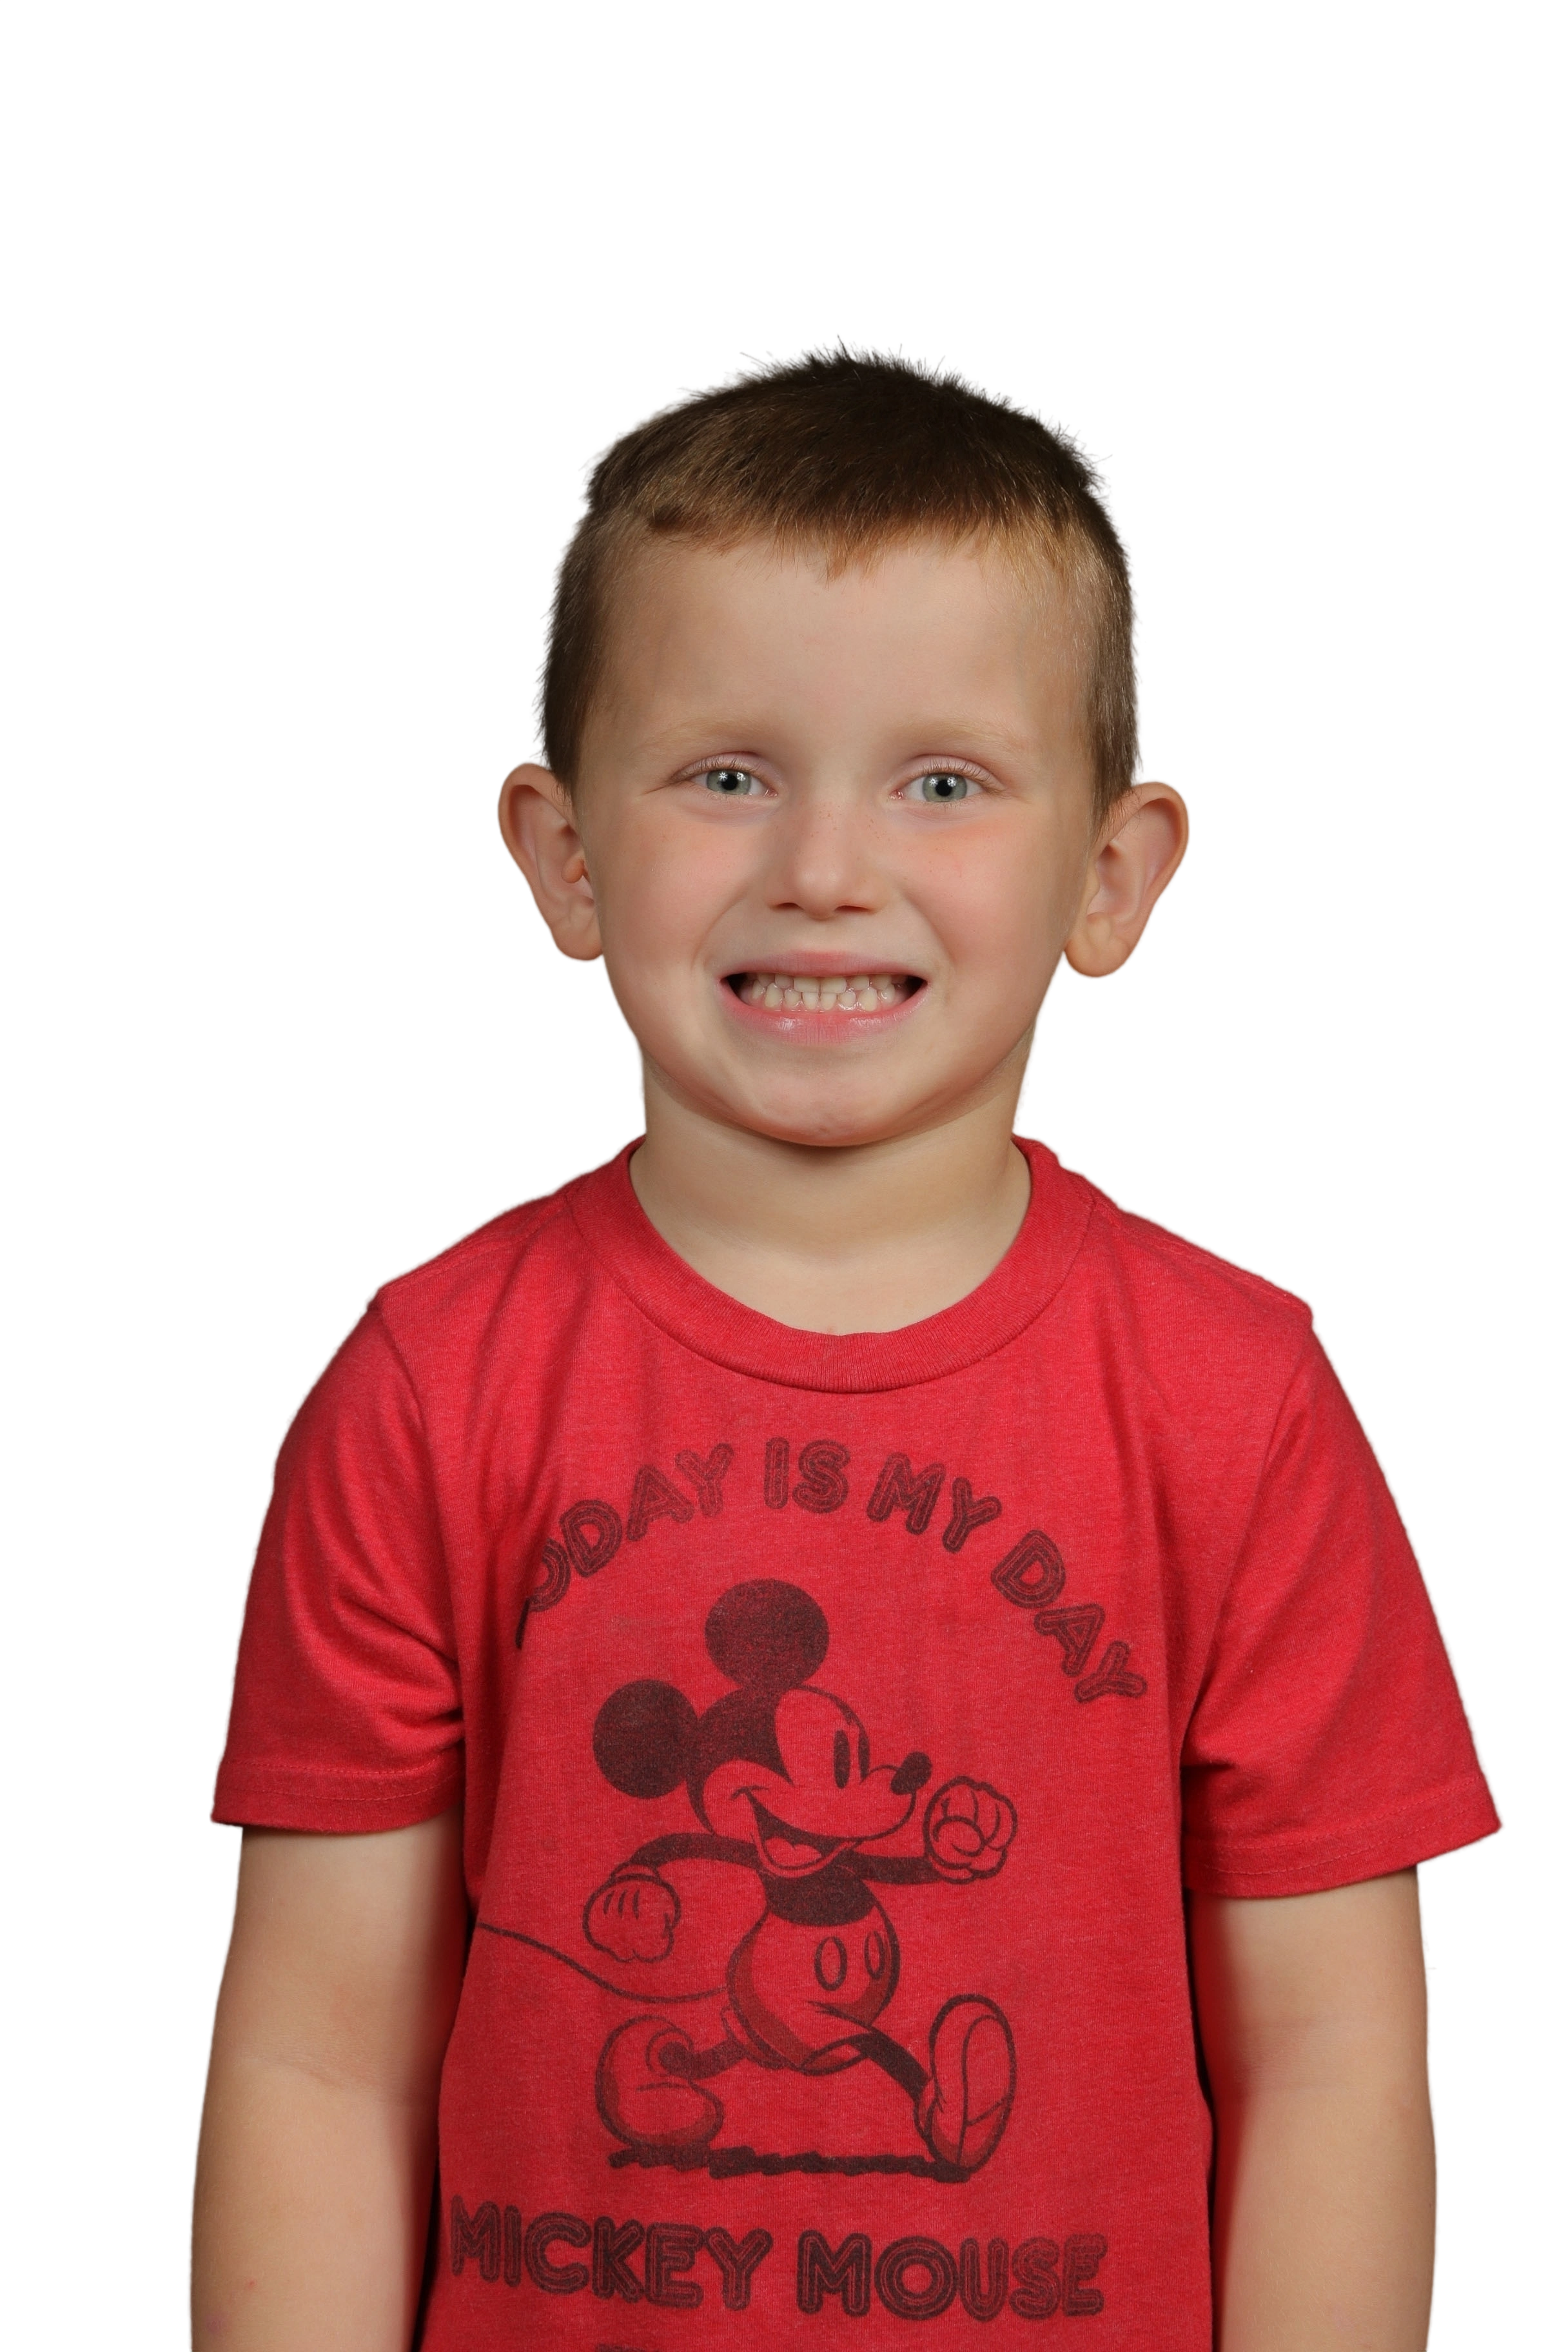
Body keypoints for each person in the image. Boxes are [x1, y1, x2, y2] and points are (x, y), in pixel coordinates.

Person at [186, 334, 1503, 2351]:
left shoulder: (1236, 1403)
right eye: (727, 775)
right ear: (564, 856)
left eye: (942, 782)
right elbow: (318, 2060)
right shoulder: (429, 1389)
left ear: (1112, 875)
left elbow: (1332, 2066)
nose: (821, 870)